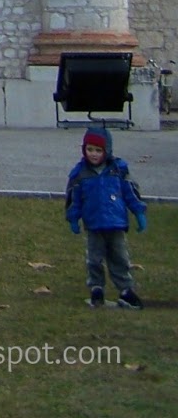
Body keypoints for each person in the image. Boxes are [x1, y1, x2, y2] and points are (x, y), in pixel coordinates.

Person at [65, 126, 147, 309]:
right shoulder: (79, 174)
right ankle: (96, 288)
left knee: (119, 257)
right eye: (90, 149)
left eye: (98, 150)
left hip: (116, 224)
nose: (93, 154)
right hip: (94, 225)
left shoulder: (118, 170)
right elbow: (74, 199)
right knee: (94, 258)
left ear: (107, 150)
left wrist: (139, 212)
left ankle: (125, 290)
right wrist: (73, 218)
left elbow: (130, 193)